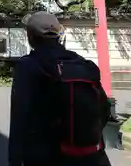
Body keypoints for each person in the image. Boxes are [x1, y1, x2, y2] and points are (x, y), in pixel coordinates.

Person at [8, 12, 111, 166]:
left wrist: (14, 159)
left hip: (44, 156)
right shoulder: (81, 63)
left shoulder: (28, 66)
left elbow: (20, 116)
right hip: (90, 156)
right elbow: (104, 109)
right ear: (58, 35)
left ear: (30, 36)